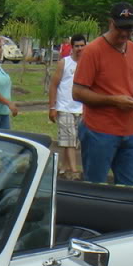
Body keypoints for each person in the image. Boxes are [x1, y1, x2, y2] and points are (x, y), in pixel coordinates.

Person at [71, 1, 133, 186]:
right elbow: (78, 92)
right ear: (111, 23)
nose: (125, 33)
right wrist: (113, 101)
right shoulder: (93, 51)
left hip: (129, 131)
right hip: (99, 131)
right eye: (121, 28)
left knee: (129, 190)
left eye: (129, 29)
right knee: (95, 188)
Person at [48, 34, 87, 179]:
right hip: (64, 107)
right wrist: (52, 107)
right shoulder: (64, 63)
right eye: (77, 46)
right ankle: (74, 170)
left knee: (71, 140)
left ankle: (63, 169)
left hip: (81, 109)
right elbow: (54, 85)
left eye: (82, 45)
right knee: (69, 139)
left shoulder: (87, 64)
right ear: (72, 47)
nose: (80, 49)